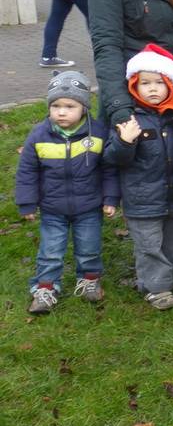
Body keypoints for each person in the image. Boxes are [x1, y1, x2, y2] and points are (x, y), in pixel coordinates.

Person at [16, 72, 119, 314]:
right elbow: (27, 172)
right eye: (56, 106)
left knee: (89, 246)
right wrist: (27, 203)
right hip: (52, 208)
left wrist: (111, 198)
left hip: (89, 207)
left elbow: (109, 170)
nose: (61, 112)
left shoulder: (98, 134)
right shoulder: (39, 136)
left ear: (84, 107)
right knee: (50, 250)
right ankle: (46, 287)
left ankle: (89, 280)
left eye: (69, 106)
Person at [104, 45, 173, 310]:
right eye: (145, 83)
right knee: (150, 246)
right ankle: (156, 287)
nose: (152, 88)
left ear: (170, 85)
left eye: (159, 82)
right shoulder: (129, 119)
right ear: (134, 85)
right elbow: (112, 158)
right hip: (142, 199)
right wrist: (125, 142)